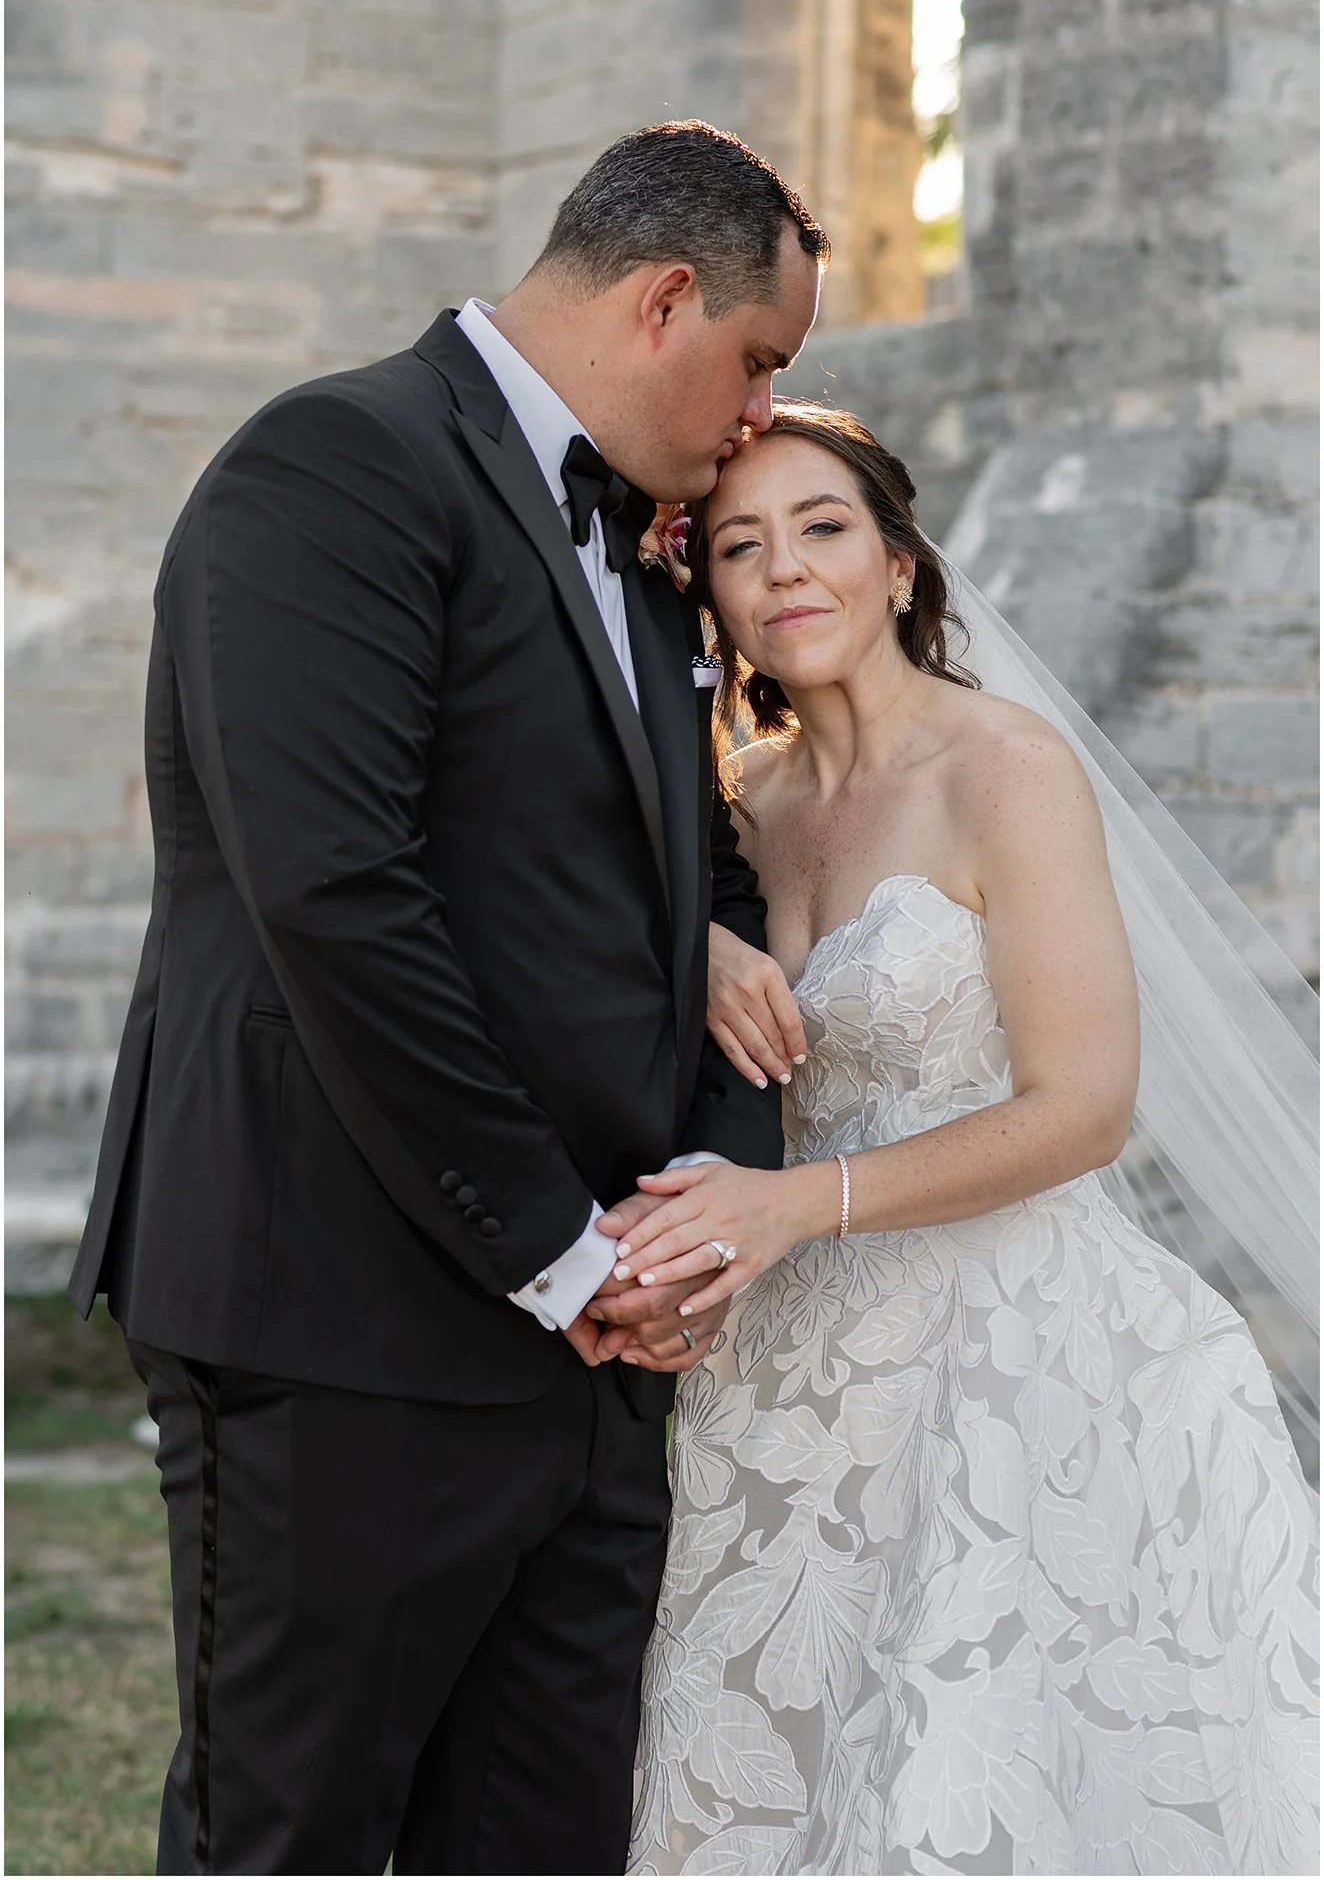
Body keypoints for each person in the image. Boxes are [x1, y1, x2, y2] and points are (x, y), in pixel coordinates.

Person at [66, 122, 827, 1876]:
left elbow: (706, 888)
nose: (764, 416)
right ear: (662, 301)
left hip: (595, 1357)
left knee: (545, 1843)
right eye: (760, 360)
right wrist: (563, 1252)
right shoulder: (331, 468)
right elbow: (335, 898)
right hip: (340, 1319)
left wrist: (677, 1245)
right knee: (297, 1836)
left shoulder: (647, 552)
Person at [614, 404, 1320, 1876]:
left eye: (823, 530)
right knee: (755, 1777)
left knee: (972, 1783)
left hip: (1016, 1367)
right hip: (788, 1380)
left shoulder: (1009, 768)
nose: (785, 570)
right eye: (740, 546)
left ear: (899, 566)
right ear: (710, 593)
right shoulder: (739, 808)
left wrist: (803, 1202)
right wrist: (701, 953)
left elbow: (1082, 1108)